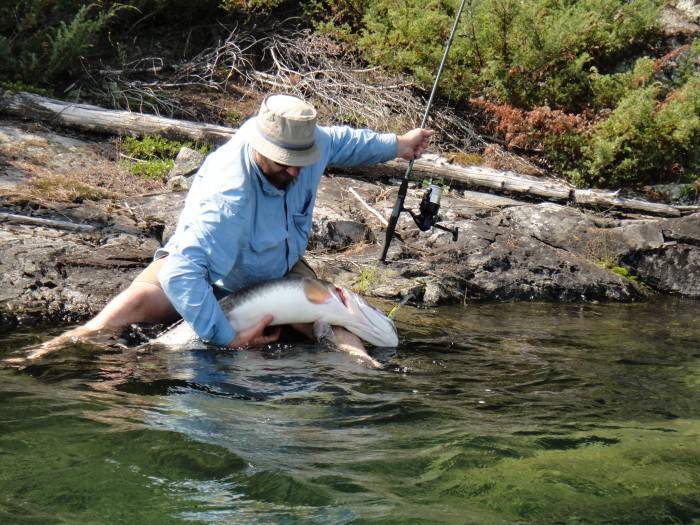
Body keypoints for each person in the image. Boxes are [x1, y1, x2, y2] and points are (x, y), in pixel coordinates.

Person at [32, 93, 434, 365]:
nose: (295, 170)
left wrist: (397, 144)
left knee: (338, 322)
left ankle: (366, 376)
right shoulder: (227, 196)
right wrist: (226, 337)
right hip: (209, 274)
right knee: (124, 312)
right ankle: (46, 354)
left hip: (279, 272)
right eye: (283, 162)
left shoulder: (306, 143)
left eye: (301, 160)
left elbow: (342, 143)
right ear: (260, 144)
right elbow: (180, 273)